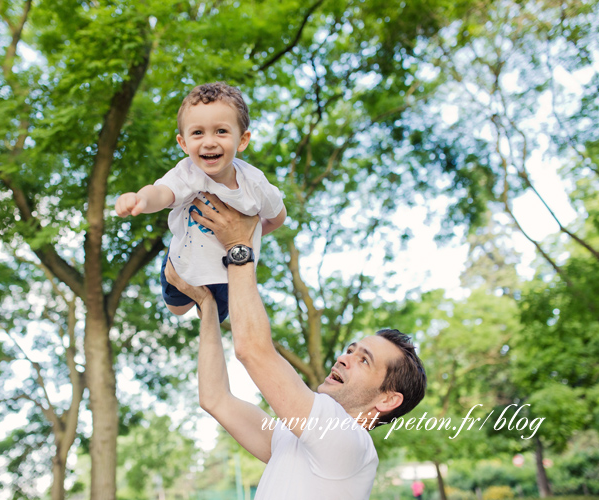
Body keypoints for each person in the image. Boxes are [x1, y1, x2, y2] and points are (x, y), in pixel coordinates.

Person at [164, 193, 427, 499]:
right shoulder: (293, 439)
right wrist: (207, 305)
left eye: (364, 360)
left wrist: (238, 247)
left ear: (387, 400)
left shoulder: (349, 443)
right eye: (351, 349)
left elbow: (252, 350)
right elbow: (215, 399)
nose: (344, 358)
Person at [115, 82, 286, 323]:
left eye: (221, 131)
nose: (209, 142)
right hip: (184, 260)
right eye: (197, 133)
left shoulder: (254, 183)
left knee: (211, 317)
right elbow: (161, 193)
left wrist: (248, 236)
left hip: (227, 273)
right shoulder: (186, 173)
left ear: (242, 140)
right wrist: (140, 198)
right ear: (183, 143)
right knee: (177, 308)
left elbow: (278, 216)